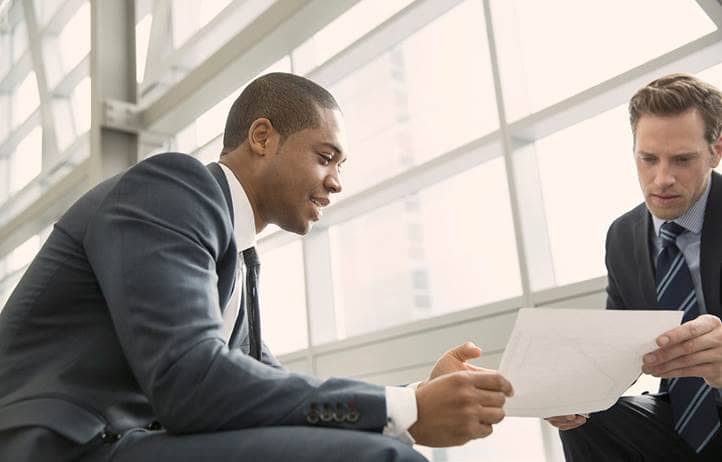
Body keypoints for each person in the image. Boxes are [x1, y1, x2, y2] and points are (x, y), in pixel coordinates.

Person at [0, 73, 513, 462]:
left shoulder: (238, 258)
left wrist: (412, 400)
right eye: (326, 156)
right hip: (67, 447)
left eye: (341, 166)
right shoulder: (172, 188)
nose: (336, 182)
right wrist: (407, 411)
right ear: (262, 137)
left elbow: (260, 386)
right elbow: (191, 381)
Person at [547, 74, 722, 461]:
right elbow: (618, 346)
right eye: (648, 159)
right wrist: (573, 391)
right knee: (585, 416)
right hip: (679, 416)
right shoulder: (622, 236)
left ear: (716, 151)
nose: (662, 178)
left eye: (682, 159)